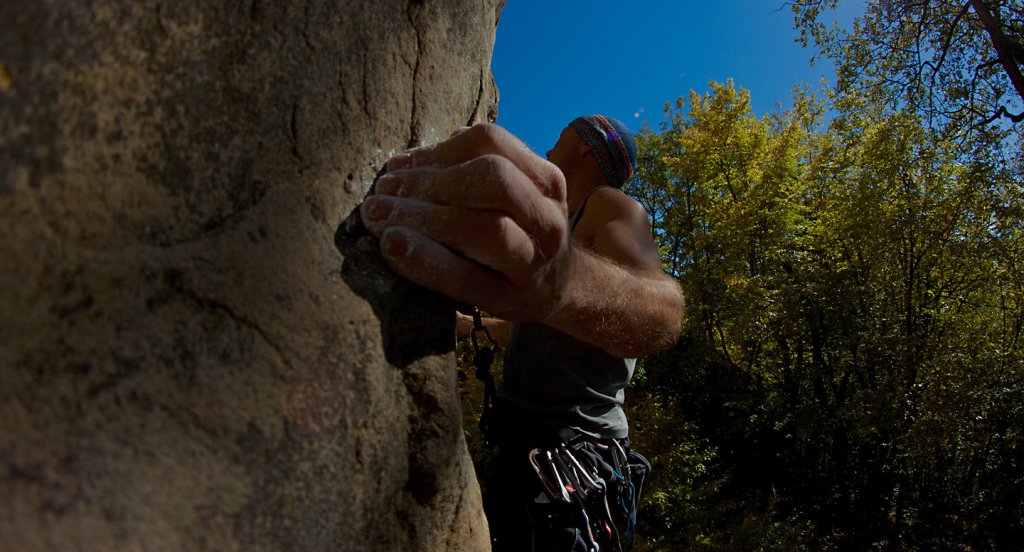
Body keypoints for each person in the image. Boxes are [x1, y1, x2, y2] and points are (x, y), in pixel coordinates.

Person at [360, 115, 684, 550]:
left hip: (574, 459)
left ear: (586, 147)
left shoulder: (609, 205)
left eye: (561, 134)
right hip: (529, 452)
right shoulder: (563, 227)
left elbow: (662, 315)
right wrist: (466, 324)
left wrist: (562, 283)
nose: (551, 147)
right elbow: (528, 331)